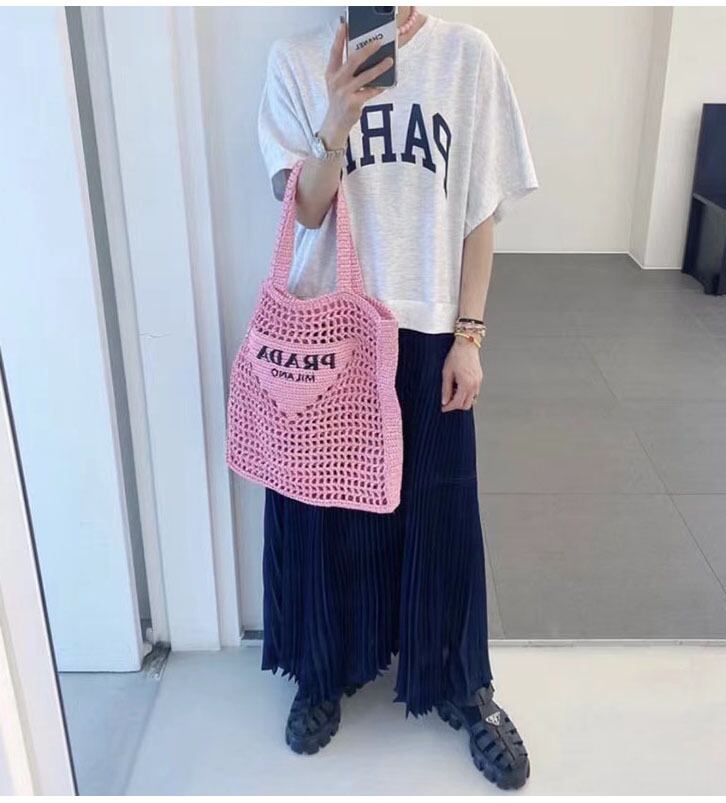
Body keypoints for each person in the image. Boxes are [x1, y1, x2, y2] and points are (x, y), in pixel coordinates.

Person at [256, 7, 538, 790]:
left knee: (441, 513)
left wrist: (469, 335)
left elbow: (480, 210)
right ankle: (322, 671)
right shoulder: (295, 59)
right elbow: (305, 210)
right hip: (329, 330)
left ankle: (461, 682)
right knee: (321, 510)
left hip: (428, 328)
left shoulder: (467, 56)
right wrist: (336, 118)